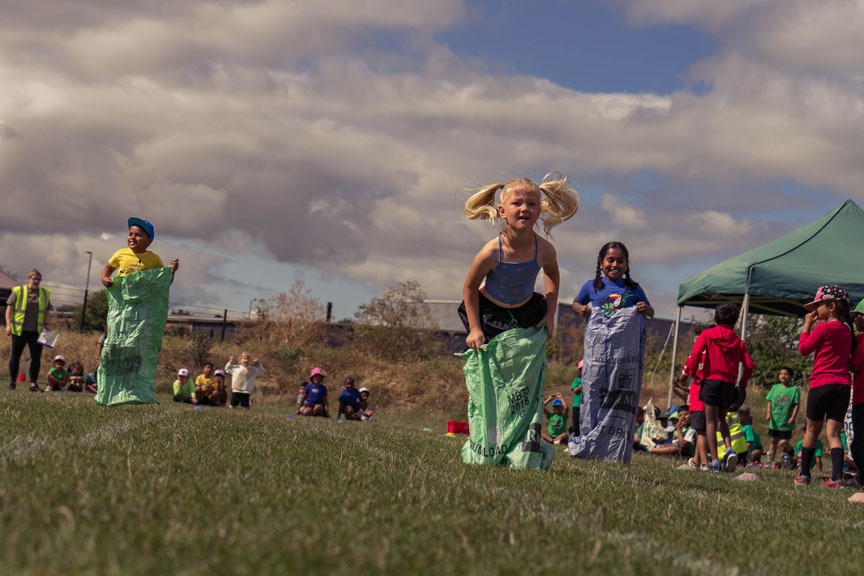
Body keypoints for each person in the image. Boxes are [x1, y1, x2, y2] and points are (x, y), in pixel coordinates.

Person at [458, 173, 579, 349]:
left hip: (526, 314)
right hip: (490, 315)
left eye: (531, 204)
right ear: (502, 211)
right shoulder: (491, 252)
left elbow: (551, 273)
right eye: (516, 203)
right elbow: (470, 287)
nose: (524, 208)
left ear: (538, 211)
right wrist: (475, 328)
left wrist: (550, 313)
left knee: (524, 370)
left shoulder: (545, 250)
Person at [795, 285, 854, 487]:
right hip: (843, 385)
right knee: (834, 433)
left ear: (831, 306)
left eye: (818, 305)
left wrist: (806, 327)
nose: (814, 310)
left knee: (811, 430)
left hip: (822, 383)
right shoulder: (848, 331)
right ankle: (836, 477)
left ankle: (803, 475)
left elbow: (803, 349)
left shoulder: (823, 327)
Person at [684, 303, 754, 472]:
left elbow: (695, 354)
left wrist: (692, 372)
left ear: (715, 318)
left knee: (710, 422)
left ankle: (714, 460)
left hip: (711, 382)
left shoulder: (707, 334)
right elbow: (749, 365)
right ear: (736, 321)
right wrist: (743, 381)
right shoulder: (738, 342)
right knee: (722, 418)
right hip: (729, 384)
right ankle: (729, 449)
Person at [572, 242, 654, 320]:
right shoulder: (591, 285)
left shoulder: (634, 288)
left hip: (626, 335)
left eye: (620, 261)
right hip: (598, 334)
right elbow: (576, 304)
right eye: (610, 260)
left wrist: (646, 309)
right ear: (601, 264)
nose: (615, 265)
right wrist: (581, 309)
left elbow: (651, 313)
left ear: (626, 265)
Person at [6, 269, 53, 392]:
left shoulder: (44, 293)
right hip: (19, 330)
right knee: (15, 356)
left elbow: (47, 311)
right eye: (34, 279)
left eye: (38, 279)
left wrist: (48, 324)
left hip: (37, 332)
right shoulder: (18, 291)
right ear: (28, 279)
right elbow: (9, 309)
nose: (36, 281)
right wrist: (8, 325)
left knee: (36, 358)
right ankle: (12, 382)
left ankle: (33, 384)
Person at [101, 217, 179, 288]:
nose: (132, 237)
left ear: (148, 241)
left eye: (138, 235)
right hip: (122, 300)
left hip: (143, 301)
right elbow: (109, 268)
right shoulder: (121, 253)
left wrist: (172, 271)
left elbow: (164, 281)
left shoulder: (154, 259)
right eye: (130, 234)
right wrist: (104, 278)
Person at [765, 366, 800, 468]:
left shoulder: (794, 390)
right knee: (773, 441)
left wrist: (793, 417)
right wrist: (768, 413)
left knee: (783, 443)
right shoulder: (774, 388)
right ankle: (769, 461)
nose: (783, 376)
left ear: (791, 377)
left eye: (786, 374)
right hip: (775, 421)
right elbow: (769, 401)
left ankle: (784, 462)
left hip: (785, 422)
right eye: (781, 374)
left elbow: (797, 404)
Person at [847, 298, 864, 488]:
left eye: (857, 317)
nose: (855, 321)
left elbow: (853, 366)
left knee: (859, 443)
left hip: (862, 398)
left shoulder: (861, 341)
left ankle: (861, 478)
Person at [570, 360, 583, 435]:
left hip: (585, 406)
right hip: (577, 406)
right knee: (576, 422)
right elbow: (574, 390)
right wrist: (582, 385)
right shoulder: (577, 380)